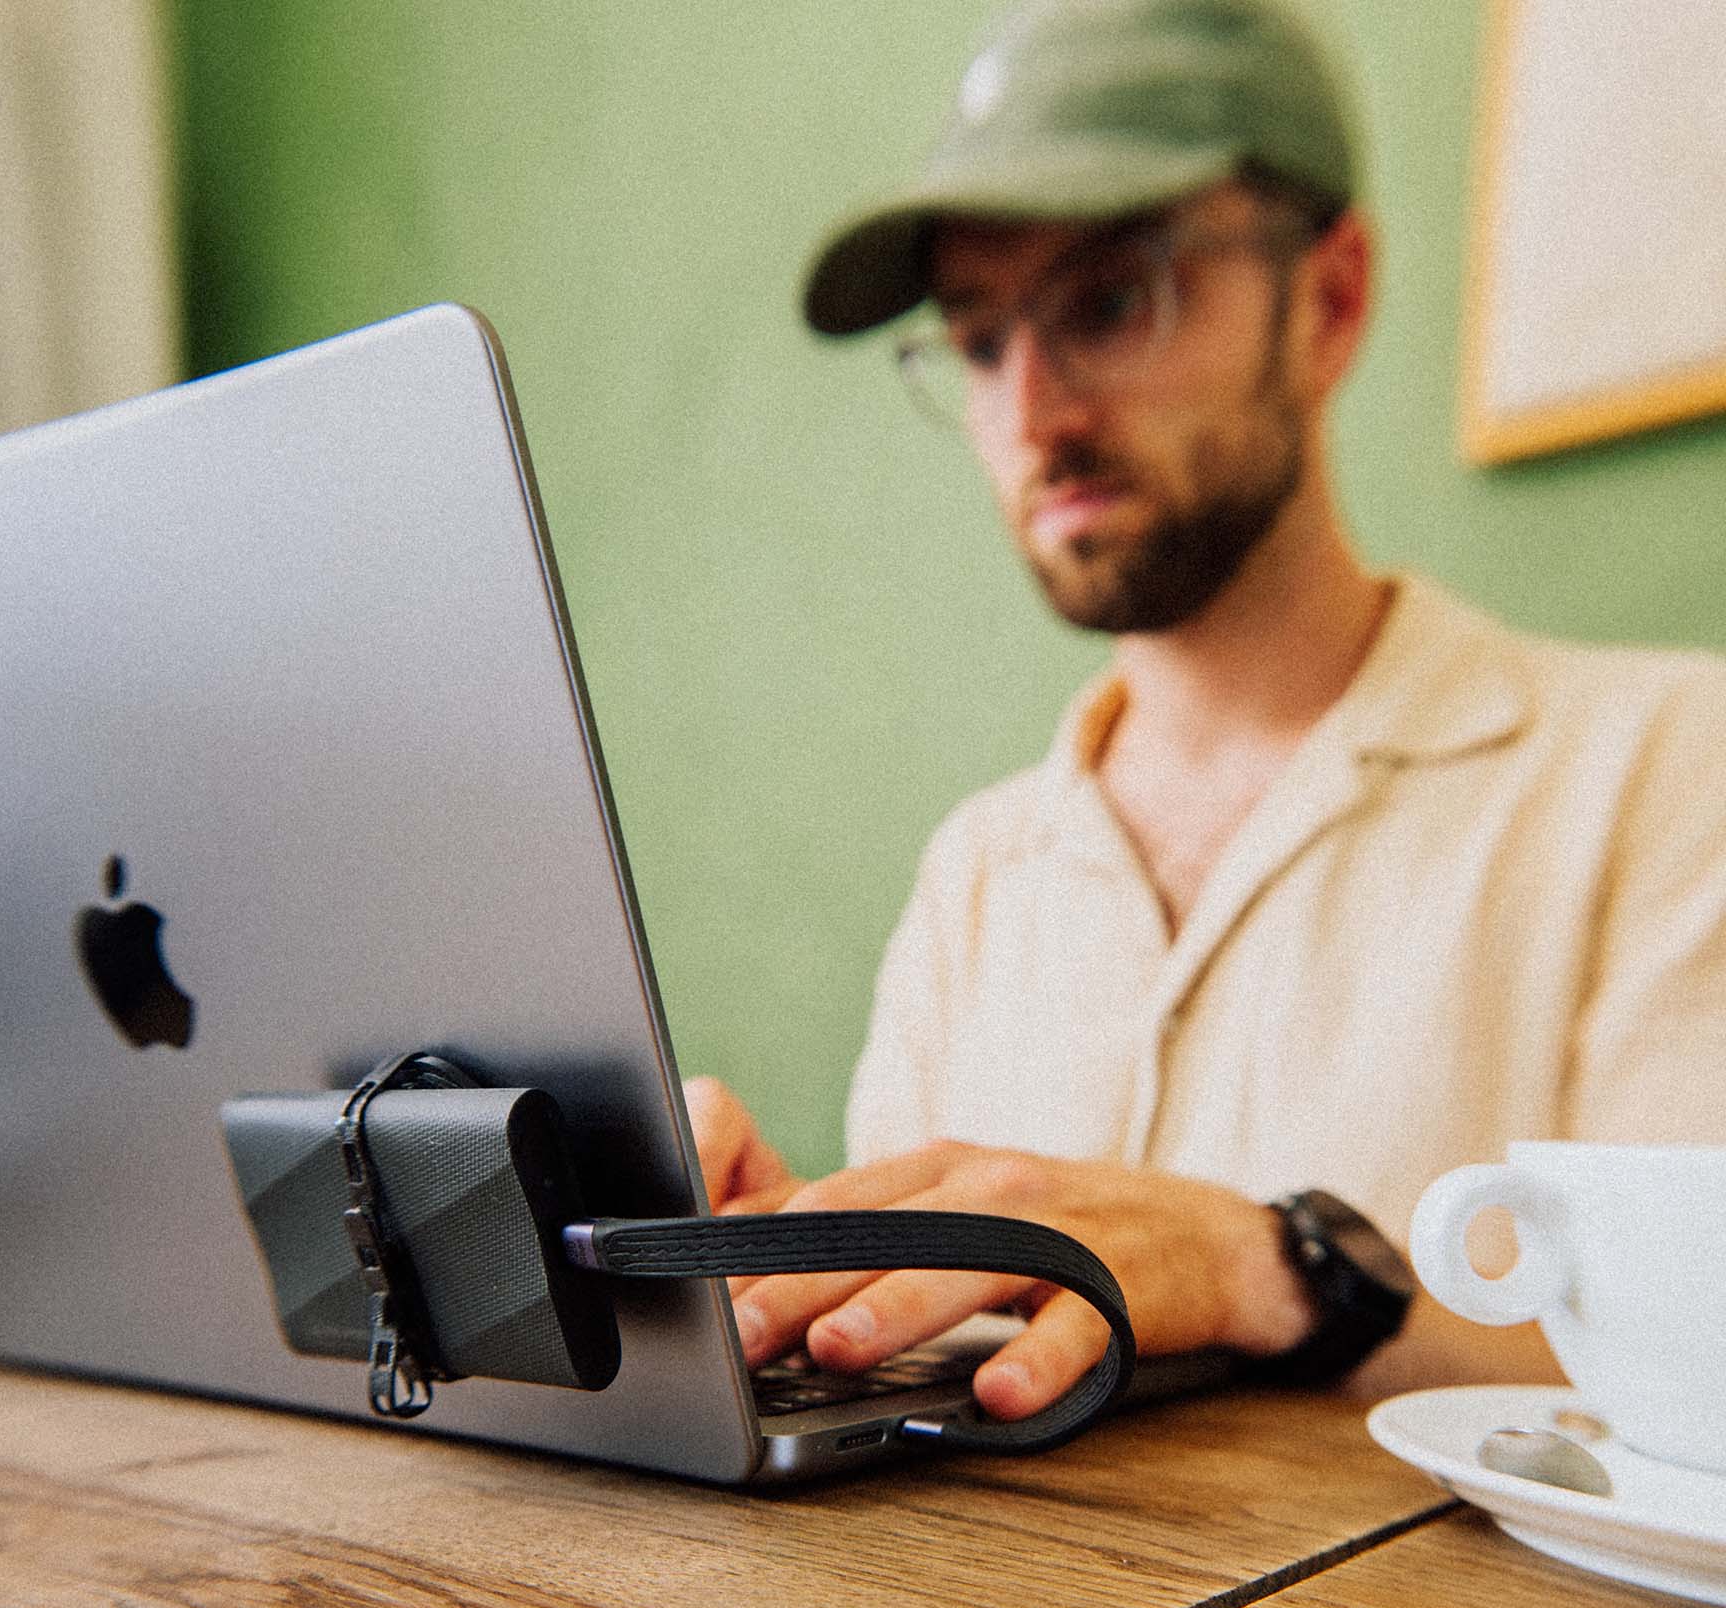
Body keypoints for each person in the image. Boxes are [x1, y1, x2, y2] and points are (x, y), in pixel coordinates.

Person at [687, 0, 1726, 1426]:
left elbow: (1703, 1376)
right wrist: (794, 1269)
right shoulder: (974, 876)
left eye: (1110, 302)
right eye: (979, 343)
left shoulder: (1673, 776)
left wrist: (1275, 1268)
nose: (1034, 411)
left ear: (1332, 300)